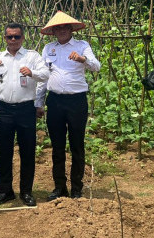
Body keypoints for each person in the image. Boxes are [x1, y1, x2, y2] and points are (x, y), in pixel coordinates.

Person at [36, 11, 100, 201]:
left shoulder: (82, 46)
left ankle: (77, 188)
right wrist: (38, 102)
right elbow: (42, 76)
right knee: (57, 146)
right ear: (53, 31)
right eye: (58, 27)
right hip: (55, 101)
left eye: (65, 27)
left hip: (76, 102)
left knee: (77, 145)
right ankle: (59, 187)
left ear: (71, 29)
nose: (62, 30)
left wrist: (83, 60)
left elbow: (97, 66)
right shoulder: (48, 48)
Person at [0, 22, 47, 207]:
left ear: (22, 38)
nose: (13, 40)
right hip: (4, 110)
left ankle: (26, 192)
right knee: (4, 152)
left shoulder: (32, 56)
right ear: (5, 38)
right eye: (9, 36)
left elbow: (46, 75)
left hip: (26, 109)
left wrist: (32, 73)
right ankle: (5, 191)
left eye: (16, 36)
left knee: (27, 152)